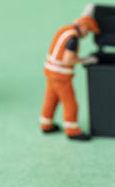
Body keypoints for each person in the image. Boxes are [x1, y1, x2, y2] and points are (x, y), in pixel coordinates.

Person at [40, 7, 99, 140]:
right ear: (83, 27)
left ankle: (46, 124)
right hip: (61, 76)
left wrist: (89, 10)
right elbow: (68, 60)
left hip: (50, 71)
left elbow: (81, 19)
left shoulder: (65, 30)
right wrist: (86, 60)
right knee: (70, 103)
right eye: (88, 31)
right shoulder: (73, 39)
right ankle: (72, 131)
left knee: (51, 100)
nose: (87, 34)